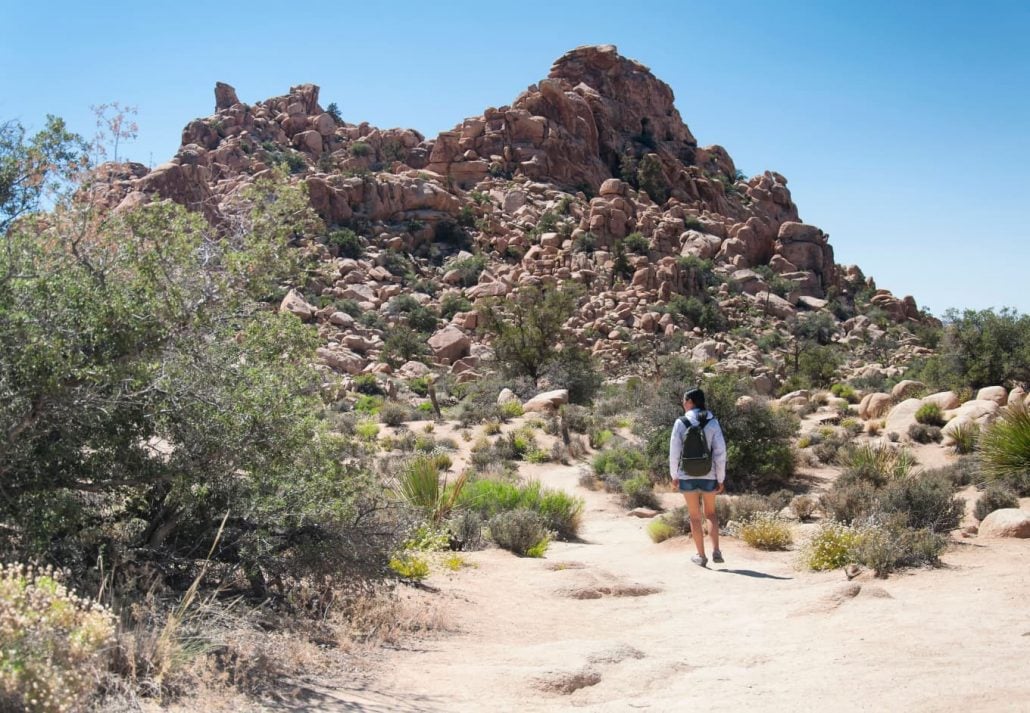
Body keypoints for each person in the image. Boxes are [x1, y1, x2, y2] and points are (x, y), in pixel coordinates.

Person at [669, 387, 727, 567]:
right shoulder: (712, 422)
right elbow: (720, 452)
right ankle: (716, 550)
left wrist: (674, 475)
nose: (683, 404)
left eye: (685, 401)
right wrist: (720, 478)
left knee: (694, 517)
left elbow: (674, 451)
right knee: (711, 514)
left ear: (691, 402)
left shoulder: (681, 422)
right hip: (709, 474)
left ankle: (701, 556)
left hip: (686, 475)